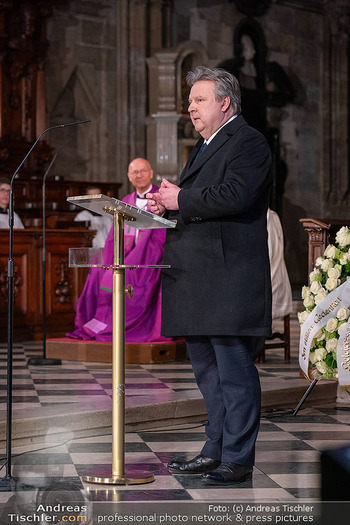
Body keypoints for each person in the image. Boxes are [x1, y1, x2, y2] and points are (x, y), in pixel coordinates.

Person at [147, 66, 272, 485]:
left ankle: (238, 458)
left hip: (227, 276)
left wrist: (180, 197)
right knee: (207, 372)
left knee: (234, 372)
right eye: (189, 101)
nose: (190, 108)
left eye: (198, 100)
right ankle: (215, 448)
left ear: (224, 102)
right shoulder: (203, 146)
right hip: (198, 276)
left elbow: (236, 194)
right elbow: (201, 201)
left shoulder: (249, 141)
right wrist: (168, 205)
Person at [67, 158, 170, 342]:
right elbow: (114, 236)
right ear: (129, 177)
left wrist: (136, 254)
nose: (139, 175)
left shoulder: (161, 197)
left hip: (152, 255)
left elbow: (162, 233)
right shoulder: (125, 201)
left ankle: (120, 324)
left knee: (125, 271)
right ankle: (100, 321)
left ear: (151, 173)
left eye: (143, 171)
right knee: (98, 270)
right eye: (134, 172)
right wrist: (109, 258)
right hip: (125, 253)